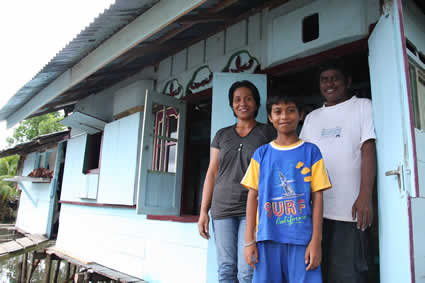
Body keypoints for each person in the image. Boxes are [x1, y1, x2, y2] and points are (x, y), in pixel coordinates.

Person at [300, 59, 377, 282]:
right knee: (320, 272)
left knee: (351, 274)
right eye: (324, 79)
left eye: (335, 78)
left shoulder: (363, 106)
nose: (329, 83)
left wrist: (365, 195)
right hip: (317, 211)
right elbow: (302, 160)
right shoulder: (313, 118)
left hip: (350, 210)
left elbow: (368, 149)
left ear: (348, 82)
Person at [242, 95, 331, 283]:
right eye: (278, 111)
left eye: (290, 110)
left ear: (300, 115)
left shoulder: (311, 151)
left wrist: (316, 241)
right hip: (267, 238)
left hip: (302, 239)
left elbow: (318, 197)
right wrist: (249, 241)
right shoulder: (262, 154)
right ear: (269, 117)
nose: (284, 116)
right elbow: (252, 197)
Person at [198, 80, 275, 283]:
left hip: (252, 208)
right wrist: (203, 212)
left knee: (247, 269)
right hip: (222, 208)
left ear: (257, 104)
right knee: (225, 268)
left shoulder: (267, 132)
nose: (243, 103)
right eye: (237, 99)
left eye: (248, 98)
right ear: (232, 105)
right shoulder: (222, 135)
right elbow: (212, 172)